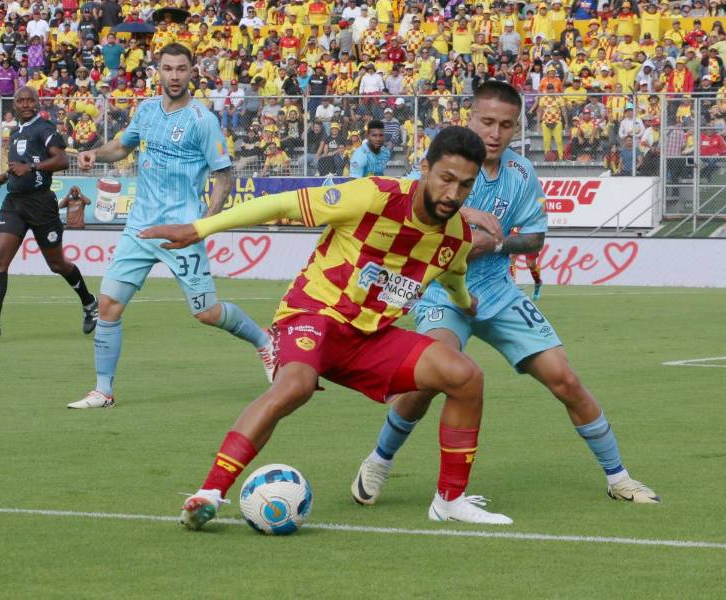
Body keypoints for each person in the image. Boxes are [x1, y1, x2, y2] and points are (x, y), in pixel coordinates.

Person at [142, 126, 513, 527]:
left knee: (465, 376)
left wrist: (464, 303)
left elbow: (453, 275)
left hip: (369, 340)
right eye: (446, 179)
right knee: (294, 386)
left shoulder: (456, 236)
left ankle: (449, 501)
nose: (453, 195)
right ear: (424, 168)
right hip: (314, 315)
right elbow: (280, 204)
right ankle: (209, 492)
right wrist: (198, 229)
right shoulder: (373, 195)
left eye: (465, 185)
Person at [350, 82, 659, 507]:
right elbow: (400, 210)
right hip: (442, 293)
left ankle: (619, 477)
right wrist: (456, 239)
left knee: (566, 380)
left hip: (499, 292)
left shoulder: (521, 174)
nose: (495, 133)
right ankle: (380, 460)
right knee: (430, 379)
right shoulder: (439, 165)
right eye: (487, 122)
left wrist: (493, 245)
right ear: (470, 117)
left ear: (517, 128)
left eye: (506, 125)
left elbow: (533, 239)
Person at [67, 44, 274, 410]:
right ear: (157, 71)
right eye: (168, 68)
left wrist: (204, 225)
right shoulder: (146, 110)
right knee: (109, 305)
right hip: (140, 227)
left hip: (181, 232)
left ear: (193, 72)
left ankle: (265, 342)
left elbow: (223, 178)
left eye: (181, 69)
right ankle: (103, 391)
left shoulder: (202, 120)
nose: (174, 75)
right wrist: (94, 154)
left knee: (206, 313)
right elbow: (121, 147)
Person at [0, 86, 97, 341]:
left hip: (41, 204)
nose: (26, 104)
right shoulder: (16, 131)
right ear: (14, 105)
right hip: (15, 202)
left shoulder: (44, 128)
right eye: (21, 101)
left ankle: (89, 303)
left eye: (31, 100)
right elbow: (20, 167)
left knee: (57, 264)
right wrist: (3, 176)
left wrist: (30, 167)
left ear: (37, 103)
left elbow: (62, 160)